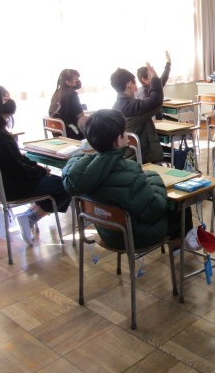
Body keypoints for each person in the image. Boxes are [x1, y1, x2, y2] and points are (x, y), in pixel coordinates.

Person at [62, 109, 190, 250]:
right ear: (118, 140)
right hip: (134, 236)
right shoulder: (130, 173)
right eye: (124, 132)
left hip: (106, 232)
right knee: (180, 207)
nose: (128, 136)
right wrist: (154, 178)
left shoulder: (77, 172)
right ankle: (179, 250)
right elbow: (154, 209)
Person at [0, 86, 71, 245]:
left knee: (54, 181)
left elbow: (16, 159)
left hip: (4, 185)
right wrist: (40, 172)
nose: (9, 102)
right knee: (67, 185)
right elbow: (17, 168)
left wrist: (38, 169)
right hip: (14, 187)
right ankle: (31, 217)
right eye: (4, 99)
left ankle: (29, 215)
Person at [112, 64, 164, 164]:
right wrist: (155, 78)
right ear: (130, 84)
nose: (136, 87)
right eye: (135, 83)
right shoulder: (132, 106)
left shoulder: (116, 106)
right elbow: (156, 101)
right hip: (141, 157)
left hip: (126, 155)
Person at [48, 69, 87, 140]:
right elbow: (79, 117)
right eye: (76, 79)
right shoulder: (72, 94)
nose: (78, 81)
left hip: (58, 133)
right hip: (71, 133)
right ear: (68, 82)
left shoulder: (56, 93)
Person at [136, 51, 171, 120]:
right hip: (155, 122)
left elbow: (163, 78)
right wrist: (168, 63)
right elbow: (163, 79)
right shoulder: (148, 90)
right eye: (150, 75)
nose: (153, 76)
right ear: (144, 79)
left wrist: (168, 63)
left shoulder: (140, 89)